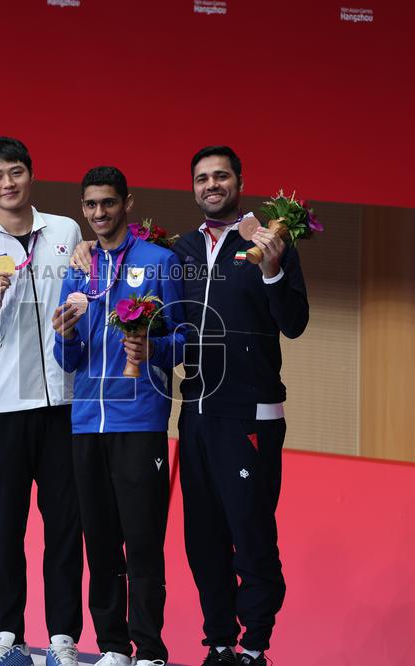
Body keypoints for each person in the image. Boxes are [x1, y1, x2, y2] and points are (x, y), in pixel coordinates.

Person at [0, 137, 84, 666]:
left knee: (65, 528)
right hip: (1, 411)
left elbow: (84, 291)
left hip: (64, 408)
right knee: (5, 528)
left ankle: (63, 640)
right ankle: (7, 637)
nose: (9, 182)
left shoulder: (66, 231)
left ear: (32, 175)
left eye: (17, 171)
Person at [172, 146, 309, 666]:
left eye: (221, 175)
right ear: (193, 186)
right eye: (202, 177)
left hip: (251, 413)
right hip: (196, 413)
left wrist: (273, 269)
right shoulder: (182, 250)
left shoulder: (270, 241)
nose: (212, 184)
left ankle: (254, 646)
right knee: (202, 539)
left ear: (239, 181)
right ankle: (221, 643)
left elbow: (294, 323)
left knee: (250, 535)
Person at [52, 166, 184, 666]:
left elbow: (185, 339)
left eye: (108, 203)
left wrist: (152, 347)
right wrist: (64, 336)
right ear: (83, 209)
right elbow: (67, 360)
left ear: (126, 203)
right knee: (101, 545)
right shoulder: (77, 270)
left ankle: (149, 649)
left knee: (143, 542)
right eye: (90, 205)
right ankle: (113, 647)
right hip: (86, 424)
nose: (99, 213)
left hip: (140, 423)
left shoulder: (160, 262)